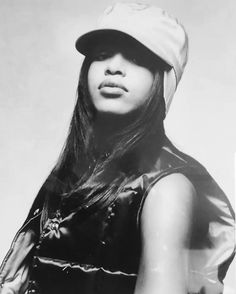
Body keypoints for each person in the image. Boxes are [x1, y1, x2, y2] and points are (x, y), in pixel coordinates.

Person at [0, 3, 235, 294]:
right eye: (101, 55)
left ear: (163, 82)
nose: (113, 67)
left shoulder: (166, 190)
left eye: (136, 58)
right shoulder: (71, 174)